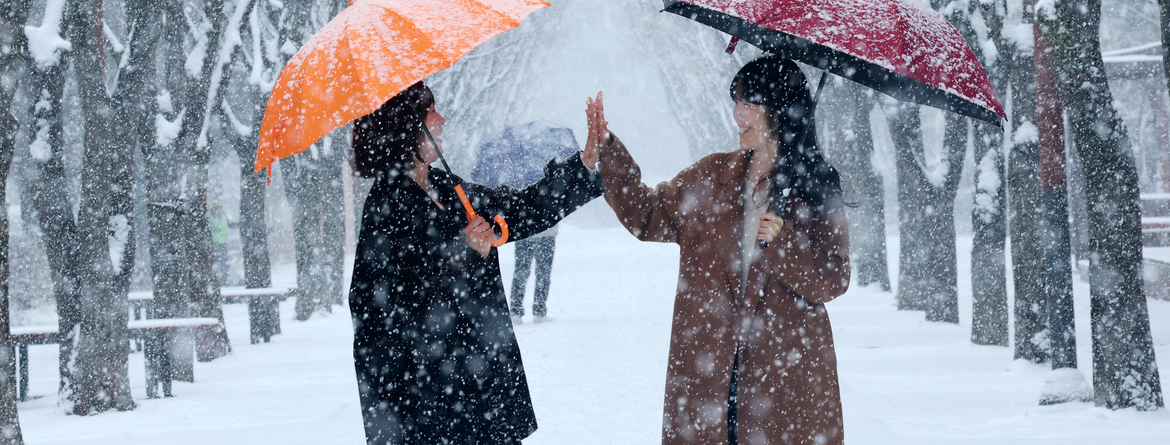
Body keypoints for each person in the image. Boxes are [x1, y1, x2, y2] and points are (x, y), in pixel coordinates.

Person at [586, 55, 850, 445]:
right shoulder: (712, 177)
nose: (737, 113)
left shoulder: (817, 187)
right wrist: (608, 148)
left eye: (748, 104)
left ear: (779, 109)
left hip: (782, 377)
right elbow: (647, 214)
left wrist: (786, 242)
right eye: (736, 102)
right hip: (708, 370)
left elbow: (832, 280)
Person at [349, 81, 605, 445]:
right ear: (406, 127)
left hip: (480, 396)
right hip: (431, 413)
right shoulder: (386, 208)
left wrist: (585, 164)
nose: (441, 119)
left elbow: (519, 209)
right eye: (430, 111)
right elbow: (379, 313)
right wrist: (463, 255)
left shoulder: (446, 188)